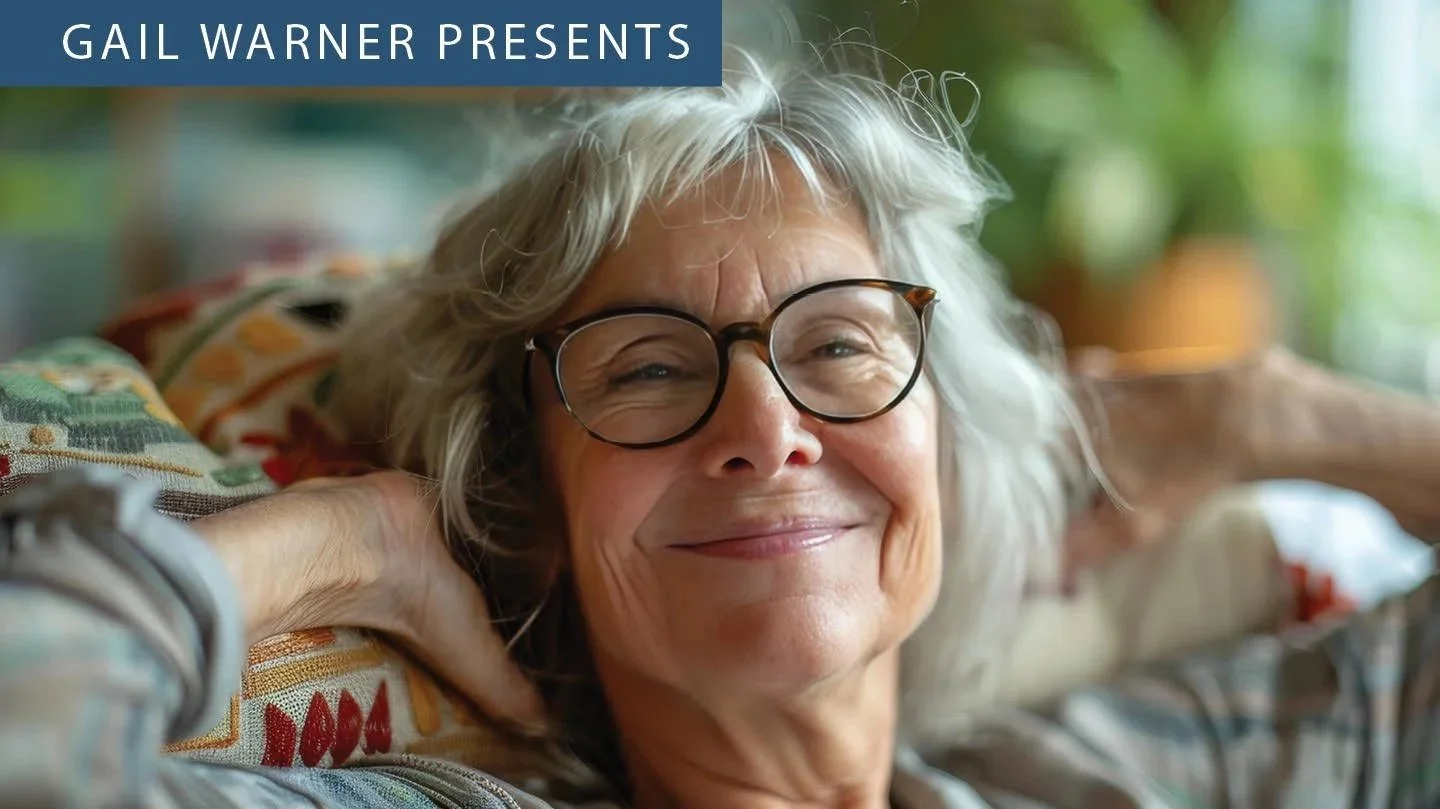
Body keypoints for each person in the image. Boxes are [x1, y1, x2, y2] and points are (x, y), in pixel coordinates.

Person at [3, 46, 1440, 809]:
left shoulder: (1116, 777)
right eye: (645, 369)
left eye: (841, 345)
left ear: (945, 449)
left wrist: (1271, 411)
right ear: (529, 505)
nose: (767, 427)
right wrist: (344, 543)